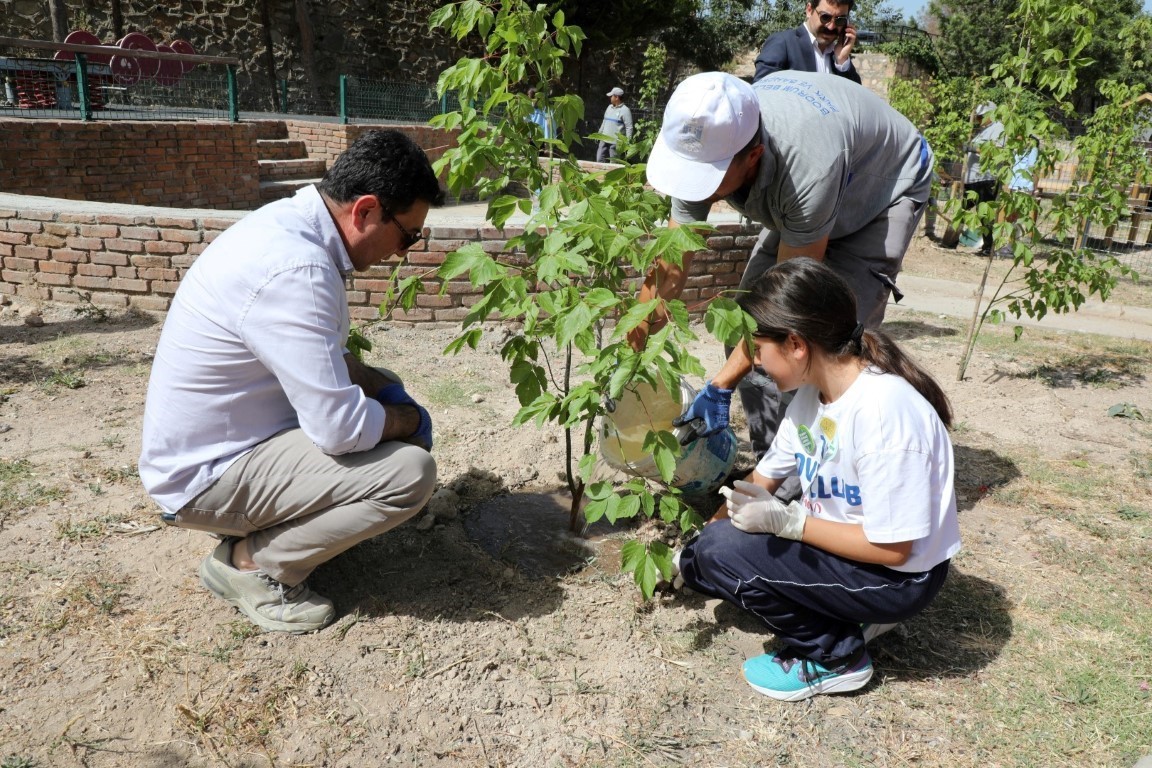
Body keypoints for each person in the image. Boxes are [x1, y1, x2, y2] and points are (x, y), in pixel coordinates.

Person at [139, 129, 446, 633]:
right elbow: (339, 431)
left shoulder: (292, 227)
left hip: (228, 443)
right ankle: (252, 565)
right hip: (205, 477)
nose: (403, 252)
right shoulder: (295, 270)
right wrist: (407, 417)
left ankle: (283, 528)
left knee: (378, 384)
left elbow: (331, 357)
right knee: (407, 474)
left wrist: (383, 389)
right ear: (365, 211)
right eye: (408, 235)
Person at [675, 257, 961, 701]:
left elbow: (894, 547)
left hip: (896, 578)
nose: (754, 362)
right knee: (707, 553)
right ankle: (849, 614)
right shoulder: (814, 397)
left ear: (795, 344)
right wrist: (693, 549)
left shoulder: (884, 417)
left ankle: (835, 655)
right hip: (851, 555)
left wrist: (789, 524)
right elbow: (762, 478)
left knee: (720, 553)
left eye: (758, 348)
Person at [636, 71, 933, 474]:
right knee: (744, 331)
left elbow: (787, 307)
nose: (695, 189)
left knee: (821, 347)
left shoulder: (806, 161)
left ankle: (818, 480)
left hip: (882, 191)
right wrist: (628, 355)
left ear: (753, 157)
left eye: (707, 178)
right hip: (809, 197)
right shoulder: (709, 137)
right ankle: (774, 466)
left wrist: (720, 385)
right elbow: (670, 265)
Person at [753, 0, 862, 84]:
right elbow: (762, 94)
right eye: (825, 17)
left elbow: (855, 99)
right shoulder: (782, 43)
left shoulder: (838, 57)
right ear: (809, 10)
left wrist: (842, 62)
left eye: (840, 20)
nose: (831, 26)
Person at [963, 102, 1005, 253]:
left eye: (981, 117)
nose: (979, 120)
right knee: (961, 210)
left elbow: (997, 151)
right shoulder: (983, 131)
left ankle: (989, 247)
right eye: (978, 117)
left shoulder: (998, 128)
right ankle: (951, 240)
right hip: (972, 179)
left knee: (985, 215)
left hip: (986, 179)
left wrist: (973, 148)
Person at [595, 86, 633, 163]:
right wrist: (599, 133)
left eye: (611, 96)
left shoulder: (625, 110)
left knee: (613, 164)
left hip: (615, 143)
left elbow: (629, 127)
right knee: (599, 159)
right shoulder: (609, 107)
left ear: (617, 97)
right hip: (604, 139)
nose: (610, 98)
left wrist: (627, 141)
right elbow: (604, 121)